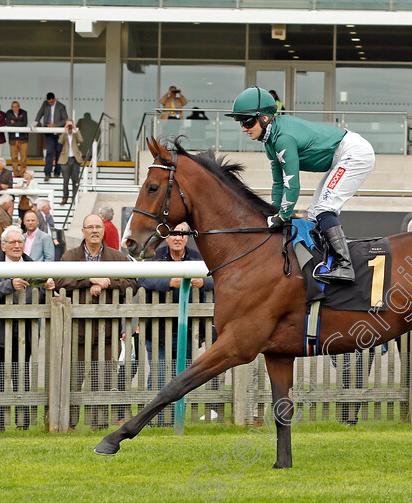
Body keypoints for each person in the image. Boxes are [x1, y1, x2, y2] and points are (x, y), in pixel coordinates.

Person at [227, 86, 374, 283]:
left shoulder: (282, 139)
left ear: (264, 118)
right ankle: (326, 260)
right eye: (241, 123)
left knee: (324, 208)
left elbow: (292, 184)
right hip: (342, 154)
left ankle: (344, 265)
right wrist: (274, 212)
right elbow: (278, 183)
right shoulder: (270, 142)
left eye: (248, 121)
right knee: (314, 214)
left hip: (353, 152)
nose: (244, 128)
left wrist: (283, 215)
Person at [48, 214, 137, 430]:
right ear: (83, 231)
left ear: (104, 231)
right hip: (75, 331)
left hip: (108, 331)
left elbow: (132, 283)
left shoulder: (117, 257)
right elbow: (59, 281)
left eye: (98, 227)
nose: (95, 230)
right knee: (72, 381)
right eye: (90, 227)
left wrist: (108, 282)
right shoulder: (70, 256)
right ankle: (67, 425)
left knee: (104, 380)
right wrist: (89, 279)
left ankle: (99, 425)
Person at [137, 222, 215, 425]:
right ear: (166, 237)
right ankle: (156, 420)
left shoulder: (199, 258)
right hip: (159, 331)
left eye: (181, 234)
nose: (177, 238)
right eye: (173, 234)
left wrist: (203, 282)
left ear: (187, 237)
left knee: (183, 377)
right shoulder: (155, 256)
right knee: (159, 375)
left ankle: (176, 419)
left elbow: (220, 276)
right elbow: (142, 279)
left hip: (189, 332)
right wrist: (170, 282)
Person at [0, 225, 40, 431]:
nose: (17, 246)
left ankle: (23, 424)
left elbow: (39, 295)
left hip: (24, 333)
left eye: (20, 242)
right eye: (13, 242)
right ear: (3, 245)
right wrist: (10, 285)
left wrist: (47, 287)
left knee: (22, 377)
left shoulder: (32, 264)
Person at [34, 92, 68, 181]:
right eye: (49, 102)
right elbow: (39, 114)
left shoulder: (61, 106)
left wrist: (56, 125)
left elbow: (65, 120)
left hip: (59, 133)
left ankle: (57, 172)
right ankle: (47, 173)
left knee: (59, 151)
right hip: (48, 131)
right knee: (49, 151)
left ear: (54, 99)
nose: (50, 103)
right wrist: (35, 123)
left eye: (51, 102)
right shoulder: (45, 104)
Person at [57, 120, 83, 205]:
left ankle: (75, 197)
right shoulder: (64, 135)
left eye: (70, 124)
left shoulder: (76, 134)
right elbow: (60, 141)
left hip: (75, 159)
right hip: (65, 159)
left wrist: (76, 129)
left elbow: (81, 140)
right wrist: (64, 130)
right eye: (68, 124)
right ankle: (65, 197)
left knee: (75, 180)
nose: (70, 126)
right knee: (66, 179)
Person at [5, 101, 29, 177]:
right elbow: (8, 124)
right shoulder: (8, 113)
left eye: (16, 106)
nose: (14, 108)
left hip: (23, 139)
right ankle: (15, 172)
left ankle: (22, 172)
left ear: (19, 107)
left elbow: (24, 124)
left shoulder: (24, 112)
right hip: (13, 139)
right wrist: (18, 122)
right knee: (14, 157)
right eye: (13, 107)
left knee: (23, 157)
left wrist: (14, 122)